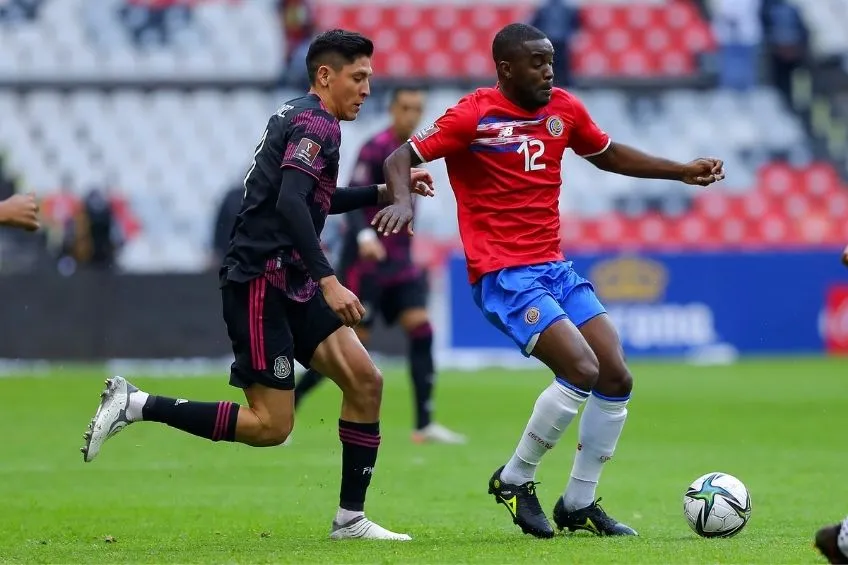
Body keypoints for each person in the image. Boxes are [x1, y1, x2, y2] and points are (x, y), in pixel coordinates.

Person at [80, 29, 435, 541]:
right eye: (358, 79)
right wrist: (330, 280)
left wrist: (381, 191)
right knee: (272, 427)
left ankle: (350, 520)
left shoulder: (302, 116)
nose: (365, 90)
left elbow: (314, 198)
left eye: (369, 80)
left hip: (289, 279)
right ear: (325, 75)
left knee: (365, 382)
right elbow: (292, 204)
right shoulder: (318, 124)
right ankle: (136, 404)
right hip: (260, 283)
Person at [376, 22, 725, 539]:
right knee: (580, 368)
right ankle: (515, 479)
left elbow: (606, 154)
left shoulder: (564, 108)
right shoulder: (474, 114)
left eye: (550, 61)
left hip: (554, 269)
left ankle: (578, 503)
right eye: (536, 62)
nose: (547, 71)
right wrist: (402, 197)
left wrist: (679, 171)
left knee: (615, 376)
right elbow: (399, 156)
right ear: (505, 68)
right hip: (504, 275)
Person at [294, 87, 466, 445]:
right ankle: (289, 406)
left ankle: (424, 425)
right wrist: (364, 237)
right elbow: (350, 198)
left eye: (417, 108)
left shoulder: (416, 152)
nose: (411, 115)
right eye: (405, 107)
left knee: (422, 330)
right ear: (392, 110)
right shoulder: (375, 148)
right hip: (366, 266)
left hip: (400, 264)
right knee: (350, 349)